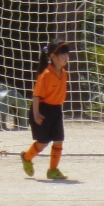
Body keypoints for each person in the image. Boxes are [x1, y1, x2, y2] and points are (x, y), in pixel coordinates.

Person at [21, 40, 70, 180]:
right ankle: (26, 157)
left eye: (67, 54)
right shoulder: (46, 75)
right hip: (42, 110)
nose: (66, 57)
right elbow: (36, 96)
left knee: (59, 140)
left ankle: (53, 170)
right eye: (62, 54)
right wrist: (36, 114)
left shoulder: (64, 73)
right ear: (52, 57)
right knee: (42, 143)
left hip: (56, 110)